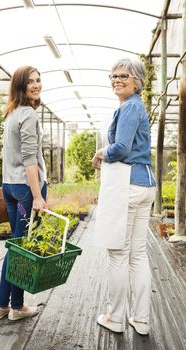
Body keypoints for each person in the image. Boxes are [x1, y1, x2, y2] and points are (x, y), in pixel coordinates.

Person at [92, 58, 156, 335]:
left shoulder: (130, 106)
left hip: (129, 184)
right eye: (113, 75)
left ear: (137, 82)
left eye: (124, 75)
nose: (117, 79)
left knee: (118, 254)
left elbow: (120, 148)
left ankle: (116, 317)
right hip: (145, 184)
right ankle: (140, 319)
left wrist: (100, 153)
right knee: (137, 255)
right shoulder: (135, 106)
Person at [0, 65, 47, 321]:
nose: (36, 85)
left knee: (15, 246)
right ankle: (17, 307)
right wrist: (37, 195)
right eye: (30, 82)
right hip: (25, 189)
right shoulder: (28, 115)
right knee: (21, 249)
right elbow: (29, 159)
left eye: (38, 80)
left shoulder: (11, 113)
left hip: (10, 187)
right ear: (20, 86)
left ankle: (2, 305)